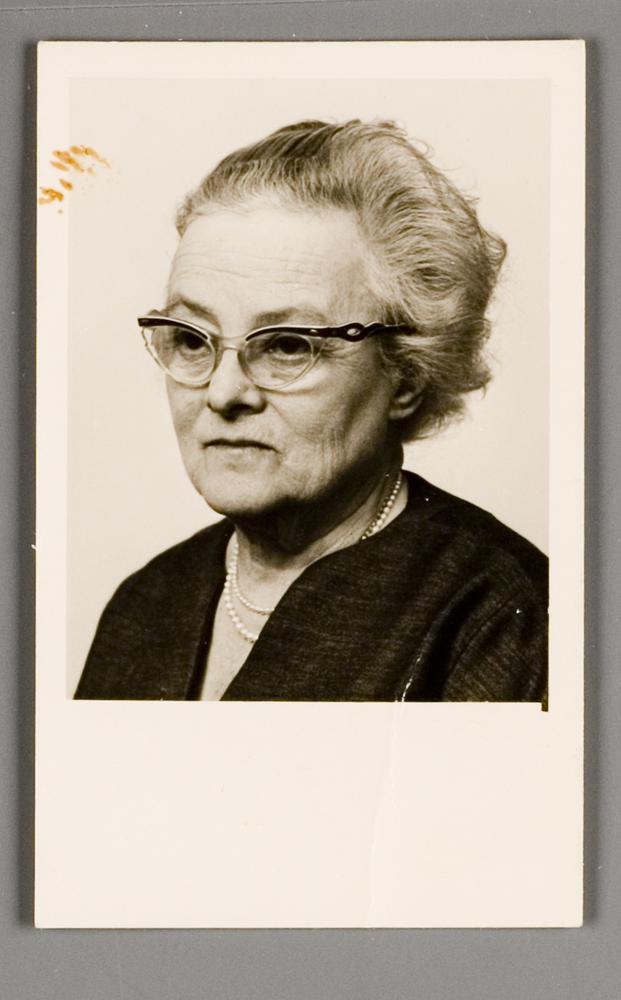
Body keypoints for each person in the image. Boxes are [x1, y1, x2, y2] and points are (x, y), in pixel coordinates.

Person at [75, 119, 547, 702]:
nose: (224, 394)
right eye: (193, 339)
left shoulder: (501, 615)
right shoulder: (145, 604)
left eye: (287, 346)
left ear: (406, 373)